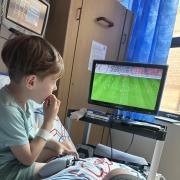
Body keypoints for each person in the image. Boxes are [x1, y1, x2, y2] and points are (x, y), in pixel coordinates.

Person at [0, 35, 78, 180]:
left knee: (64, 147)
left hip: (17, 159)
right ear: (31, 82)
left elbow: (33, 135)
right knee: (66, 168)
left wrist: (57, 146)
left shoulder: (25, 101)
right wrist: (48, 121)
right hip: (7, 170)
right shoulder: (8, 109)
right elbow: (28, 158)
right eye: (54, 81)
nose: (55, 88)